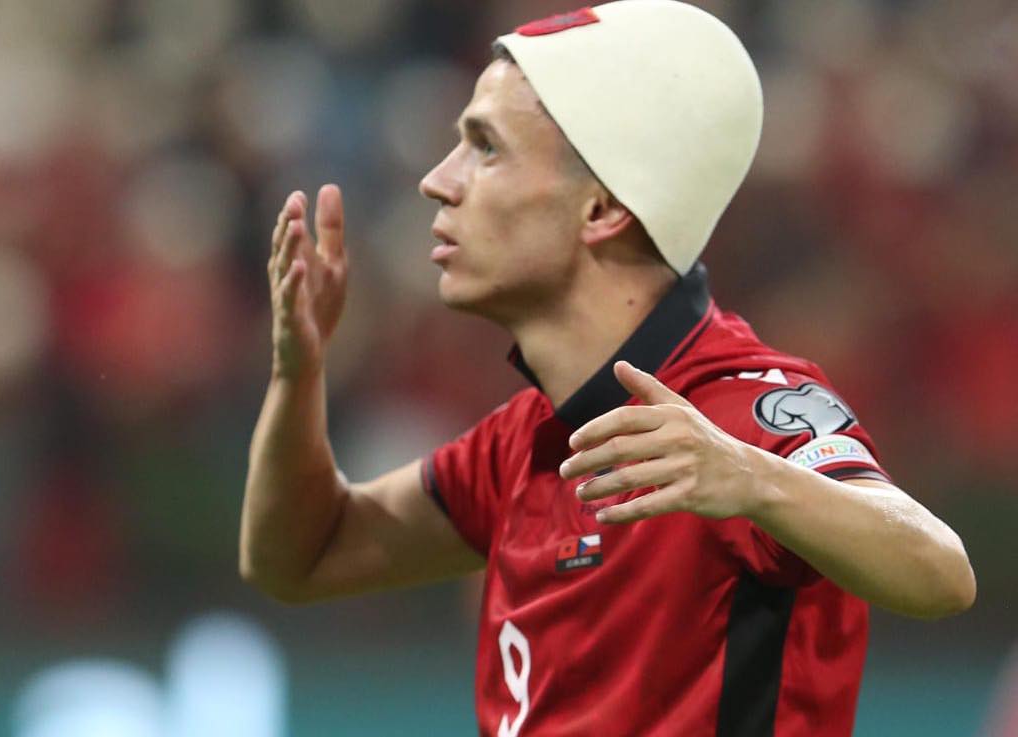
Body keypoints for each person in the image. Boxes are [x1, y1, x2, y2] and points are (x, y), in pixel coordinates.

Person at [240, 2, 976, 735]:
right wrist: (297, 373)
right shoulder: (520, 443)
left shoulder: (738, 411)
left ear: (601, 209)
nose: (438, 179)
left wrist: (751, 478)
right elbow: (303, 557)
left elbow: (940, 570)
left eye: (485, 147)